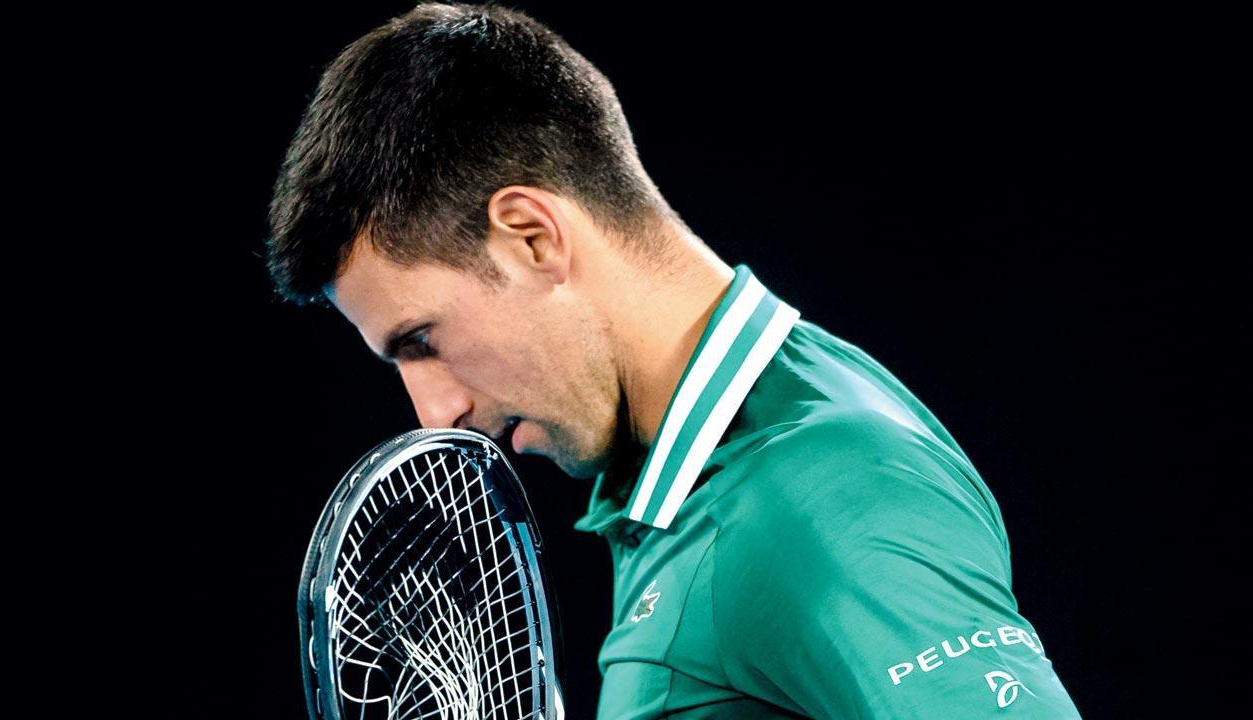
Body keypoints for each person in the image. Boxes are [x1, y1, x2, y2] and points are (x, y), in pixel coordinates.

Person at [264, 2, 1083, 717]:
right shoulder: (680, 479)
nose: (433, 411)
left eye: (421, 340)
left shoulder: (820, 492)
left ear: (531, 237)